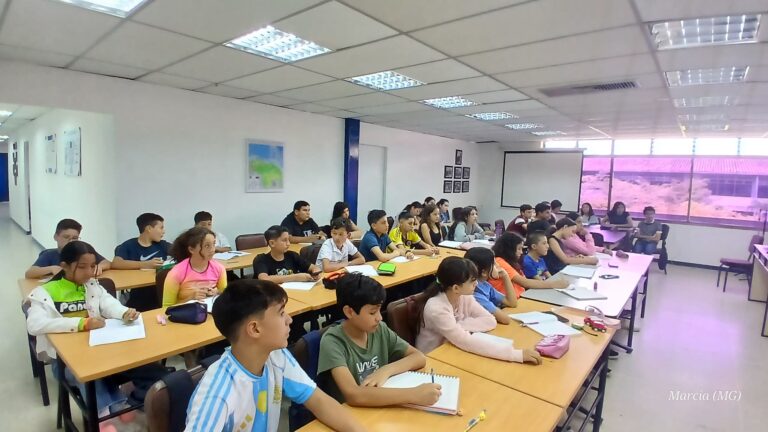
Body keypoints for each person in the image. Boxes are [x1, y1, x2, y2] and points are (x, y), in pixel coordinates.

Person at [185, 279, 365, 432]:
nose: (289, 319)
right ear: (255, 329)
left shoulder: (276, 356)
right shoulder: (217, 394)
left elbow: (319, 401)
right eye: (281, 313)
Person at [26, 241, 140, 422]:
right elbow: (34, 324)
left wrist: (124, 312)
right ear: (64, 266)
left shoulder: (92, 285)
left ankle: (117, 403)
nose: (89, 272)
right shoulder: (45, 292)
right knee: (89, 372)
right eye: (82, 267)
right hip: (64, 361)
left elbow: (108, 303)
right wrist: (82, 323)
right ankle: (104, 415)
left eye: (92, 266)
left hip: (96, 348)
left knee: (118, 361)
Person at [317, 273, 439, 406]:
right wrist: (413, 395)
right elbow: (353, 395)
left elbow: (419, 357)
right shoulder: (332, 342)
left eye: (379, 310)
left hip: (382, 403)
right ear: (349, 312)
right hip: (353, 412)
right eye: (372, 312)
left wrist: (385, 370)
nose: (379, 318)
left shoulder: (379, 329)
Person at [415, 257, 542, 364]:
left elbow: (490, 320)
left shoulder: (464, 296)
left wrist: (459, 327)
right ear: (456, 288)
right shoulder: (437, 308)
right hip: (434, 358)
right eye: (472, 281)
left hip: (454, 348)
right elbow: (464, 341)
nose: (476, 284)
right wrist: (515, 355)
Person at [25, 218, 111, 279]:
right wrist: (51, 268)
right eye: (66, 237)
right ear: (56, 237)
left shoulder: (83, 253)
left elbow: (107, 263)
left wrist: (99, 266)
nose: (70, 241)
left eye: (75, 238)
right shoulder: (49, 255)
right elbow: (29, 273)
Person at [162, 227, 226, 307]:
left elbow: (225, 296)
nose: (213, 249)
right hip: (186, 312)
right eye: (207, 246)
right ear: (191, 249)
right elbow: (166, 307)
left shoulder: (219, 268)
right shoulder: (176, 273)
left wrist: (217, 292)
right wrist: (191, 298)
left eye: (214, 244)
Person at [490, 233, 569, 297]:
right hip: (513, 300)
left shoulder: (512, 262)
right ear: (509, 249)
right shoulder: (499, 262)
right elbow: (525, 282)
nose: (521, 252)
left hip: (521, 295)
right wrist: (554, 284)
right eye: (519, 249)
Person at [253, 225, 321, 283]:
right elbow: (264, 279)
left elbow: (313, 267)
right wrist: (295, 277)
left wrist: (315, 272)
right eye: (284, 240)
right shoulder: (261, 259)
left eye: (288, 240)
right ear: (272, 243)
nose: (288, 244)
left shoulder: (292, 255)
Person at [464, 247, 516, 324]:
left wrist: (505, 276)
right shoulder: (475, 294)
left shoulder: (484, 285)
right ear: (484, 272)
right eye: (494, 264)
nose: (498, 265)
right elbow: (505, 319)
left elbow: (512, 302)